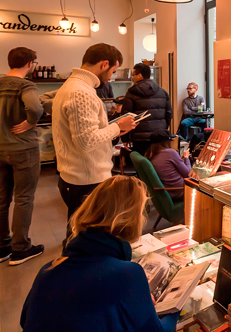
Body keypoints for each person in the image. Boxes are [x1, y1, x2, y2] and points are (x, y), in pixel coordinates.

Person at [20, 175, 180, 332]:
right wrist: (177, 303)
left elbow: (26, 321)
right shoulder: (128, 274)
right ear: (131, 220)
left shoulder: (47, 271)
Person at [52, 44, 137, 228]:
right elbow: (86, 141)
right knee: (88, 237)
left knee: (77, 233)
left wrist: (115, 129)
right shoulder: (81, 92)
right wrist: (116, 126)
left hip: (76, 176)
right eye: (112, 71)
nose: (110, 77)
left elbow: (85, 134)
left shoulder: (72, 86)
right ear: (104, 64)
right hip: (86, 180)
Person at [0, 47, 45, 265]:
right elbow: (35, 108)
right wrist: (29, 122)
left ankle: (1, 248)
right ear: (30, 63)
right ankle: (20, 248)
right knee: (24, 198)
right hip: (24, 149)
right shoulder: (25, 85)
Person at [122, 63, 172, 155]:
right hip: (159, 137)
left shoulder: (131, 93)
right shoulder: (163, 92)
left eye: (133, 75)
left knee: (141, 165)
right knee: (158, 166)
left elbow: (126, 116)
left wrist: (125, 138)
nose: (132, 77)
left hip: (139, 138)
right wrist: (162, 129)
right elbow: (169, 114)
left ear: (140, 76)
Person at [144, 130, 189, 200]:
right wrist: (186, 158)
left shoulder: (150, 154)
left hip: (166, 192)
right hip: (180, 191)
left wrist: (179, 159)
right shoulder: (170, 153)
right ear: (167, 142)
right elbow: (188, 174)